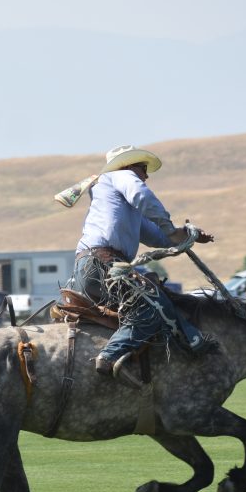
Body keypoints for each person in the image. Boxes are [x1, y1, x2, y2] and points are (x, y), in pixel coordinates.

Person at [70, 145, 214, 375]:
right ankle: (109, 355)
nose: (146, 175)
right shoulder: (119, 176)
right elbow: (142, 196)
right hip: (103, 264)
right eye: (143, 168)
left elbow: (157, 236)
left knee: (156, 297)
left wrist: (188, 235)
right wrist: (170, 227)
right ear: (129, 166)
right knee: (152, 308)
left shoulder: (118, 200)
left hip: (90, 266)